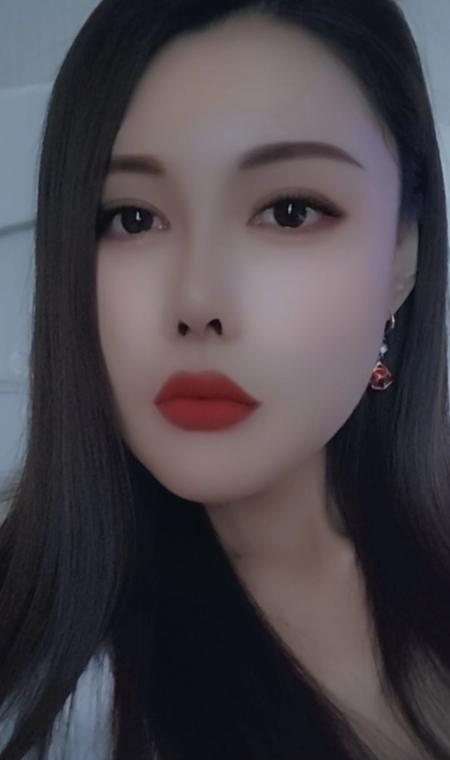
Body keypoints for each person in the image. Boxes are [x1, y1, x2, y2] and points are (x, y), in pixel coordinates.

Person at [0, 0, 448, 757]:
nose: (197, 303)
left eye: (290, 211)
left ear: (402, 255)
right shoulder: (47, 695)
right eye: (132, 219)